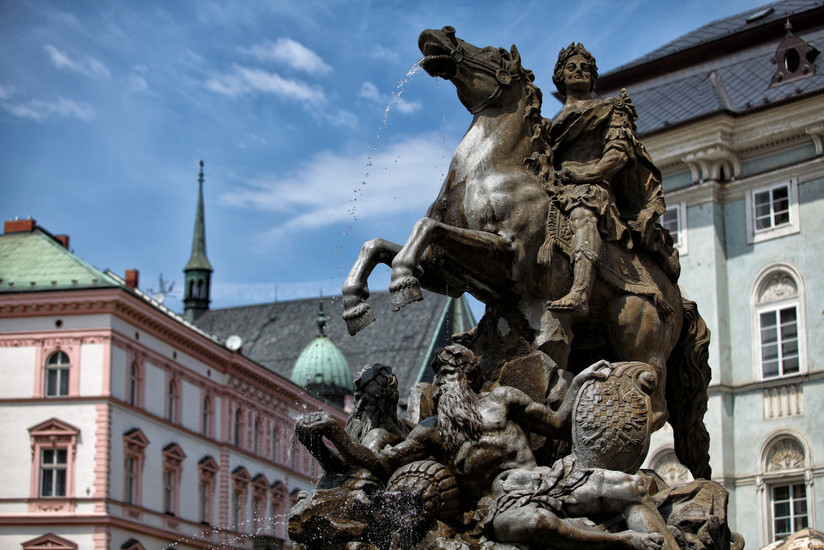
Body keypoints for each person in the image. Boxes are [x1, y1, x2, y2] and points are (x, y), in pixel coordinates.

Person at [298, 345, 677, 550]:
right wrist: (336, 433)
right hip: (501, 503)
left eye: (452, 374)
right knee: (539, 524)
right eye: (441, 377)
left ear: (471, 377)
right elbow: (379, 464)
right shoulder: (431, 432)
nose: (445, 383)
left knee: (629, 489)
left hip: (545, 480)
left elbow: (559, 424)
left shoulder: (504, 399)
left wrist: (577, 383)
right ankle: (626, 542)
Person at [544, 43, 680, 316]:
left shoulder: (610, 109)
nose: (578, 71)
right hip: (556, 190)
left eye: (585, 68)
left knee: (583, 214)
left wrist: (587, 173)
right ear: (560, 77)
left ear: (593, 77)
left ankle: (580, 292)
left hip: (593, 188)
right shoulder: (550, 125)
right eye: (571, 68)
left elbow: (618, 155)